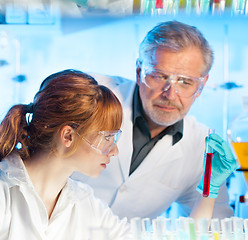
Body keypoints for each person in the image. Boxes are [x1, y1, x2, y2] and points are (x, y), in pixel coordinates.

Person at [74, 20, 237, 219]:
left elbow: (215, 226)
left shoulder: (202, 147)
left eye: (185, 82)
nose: (170, 94)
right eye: (159, 76)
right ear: (139, 71)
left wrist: (212, 188)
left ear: (202, 84)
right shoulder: (91, 95)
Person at [0, 70, 132, 239]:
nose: (114, 151)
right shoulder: (4, 194)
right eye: (107, 137)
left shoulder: (86, 202)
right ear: (68, 136)